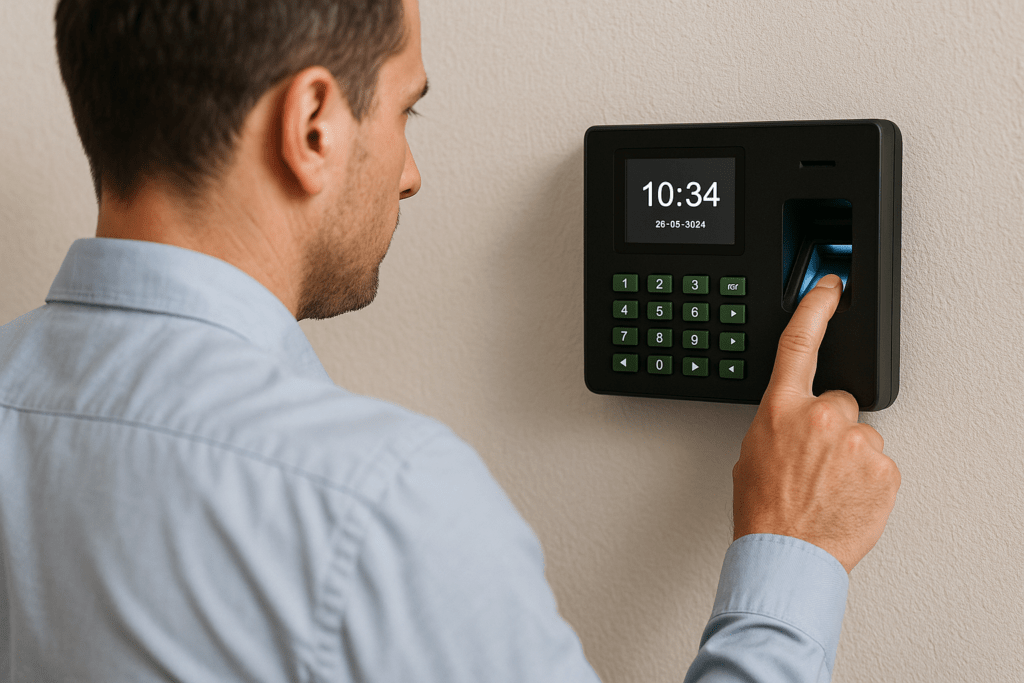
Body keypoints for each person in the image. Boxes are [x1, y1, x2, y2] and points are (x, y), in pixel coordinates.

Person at [0, 0, 900, 680]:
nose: (411, 173)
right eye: (406, 111)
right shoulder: (376, 499)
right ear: (313, 125)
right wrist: (793, 555)